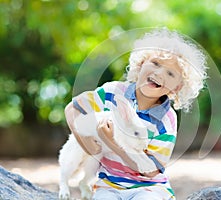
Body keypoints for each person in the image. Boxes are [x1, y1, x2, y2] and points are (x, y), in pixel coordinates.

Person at [64, 28, 207, 200]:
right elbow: (72, 109)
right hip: (108, 185)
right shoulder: (112, 92)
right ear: (140, 65)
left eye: (170, 73)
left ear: (177, 88)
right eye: (155, 63)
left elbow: (151, 170)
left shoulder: (167, 119)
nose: (159, 73)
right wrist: (87, 142)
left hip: (149, 187)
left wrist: (112, 142)